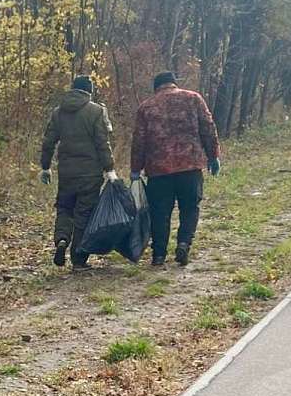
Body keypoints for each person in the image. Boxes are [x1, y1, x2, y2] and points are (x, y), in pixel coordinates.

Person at [130, 71, 221, 267]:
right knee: (190, 208)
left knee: (159, 213)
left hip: (158, 170)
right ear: (174, 83)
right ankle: (183, 243)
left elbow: (139, 141)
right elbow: (208, 128)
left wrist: (135, 169)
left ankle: (159, 255)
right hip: (190, 166)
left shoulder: (146, 107)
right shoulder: (193, 98)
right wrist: (213, 156)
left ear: (156, 87)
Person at [40, 75, 118, 269]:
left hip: (66, 172)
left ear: (73, 89)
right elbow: (102, 143)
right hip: (90, 174)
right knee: (84, 213)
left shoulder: (58, 112)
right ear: (89, 91)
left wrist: (45, 167)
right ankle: (78, 259)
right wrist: (109, 169)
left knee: (65, 208)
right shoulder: (96, 111)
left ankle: (61, 239)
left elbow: (48, 142)